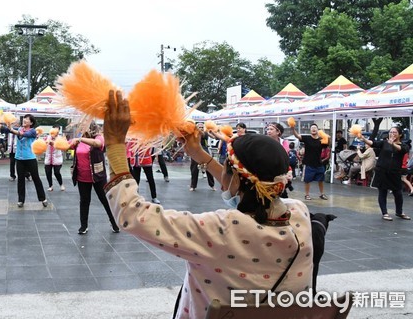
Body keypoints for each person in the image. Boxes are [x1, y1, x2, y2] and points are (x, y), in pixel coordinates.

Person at [102, 90, 313, 317]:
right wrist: (200, 154)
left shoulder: (221, 230)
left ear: (233, 178)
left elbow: (132, 214)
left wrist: (114, 144)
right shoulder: (299, 213)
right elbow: (247, 186)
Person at [69, 121, 119, 234]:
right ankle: (83, 226)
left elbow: (97, 143)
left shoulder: (98, 137)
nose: (80, 128)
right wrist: (53, 142)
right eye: (80, 126)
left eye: (83, 126)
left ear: (90, 127)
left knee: (104, 200)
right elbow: (67, 145)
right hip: (82, 176)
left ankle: (114, 222)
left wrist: (81, 139)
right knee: (84, 201)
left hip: (97, 176)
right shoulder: (78, 139)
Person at [360, 126, 410, 221]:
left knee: (398, 193)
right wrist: (363, 139)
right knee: (382, 192)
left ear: (400, 134)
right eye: (391, 132)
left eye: (394, 132)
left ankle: (399, 212)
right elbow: (373, 143)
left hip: (395, 172)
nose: (392, 134)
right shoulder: (384, 142)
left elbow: (401, 150)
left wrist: (393, 144)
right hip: (382, 171)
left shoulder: (404, 145)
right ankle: (385, 213)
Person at [9, 114, 47, 208]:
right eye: (24, 118)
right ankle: (21, 200)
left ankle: (43, 198)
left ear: (31, 123)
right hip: (19, 158)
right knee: (20, 179)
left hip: (30, 158)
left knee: (36, 178)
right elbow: (10, 131)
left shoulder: (33, 131)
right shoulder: (19, 129)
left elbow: (24, 134)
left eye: (27, 119)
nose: (25, 120)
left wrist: (11, 129)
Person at [291, 123, 328, 201]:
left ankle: (322, 194)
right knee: (307, 180)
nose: (313, 129)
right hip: (309, 163)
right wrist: (293, 129)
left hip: (319, 163)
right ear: (310, 130)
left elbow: (327, 145)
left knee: (321, 180)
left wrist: (327, 137)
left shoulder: (321, 140)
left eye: (315, 128)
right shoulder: (307, 138)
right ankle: (307, 195)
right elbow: (297, 136)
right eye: (312, 128)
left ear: (317, 130)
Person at [189, 123, 215, 191]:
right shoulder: (193, 134)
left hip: (204, 152)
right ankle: (193, 186)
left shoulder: (205, 133)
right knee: (194, 169)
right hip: (195, 153)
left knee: (209, 169)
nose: (201, 128)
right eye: (199, 127)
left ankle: (212, 185)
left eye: (202, 127)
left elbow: (203, 134)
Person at [44, 125, 65, 192]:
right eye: (55, 129)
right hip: (48, 159)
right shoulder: (47, 137)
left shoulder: (60, 138)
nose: (56, 131)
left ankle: (61, 184)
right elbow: (43, 144)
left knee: (57, 172)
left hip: (57, 159)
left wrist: (53, 143)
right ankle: (50, 186)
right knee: (48, 172)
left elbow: (62, 147)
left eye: (57, 130)